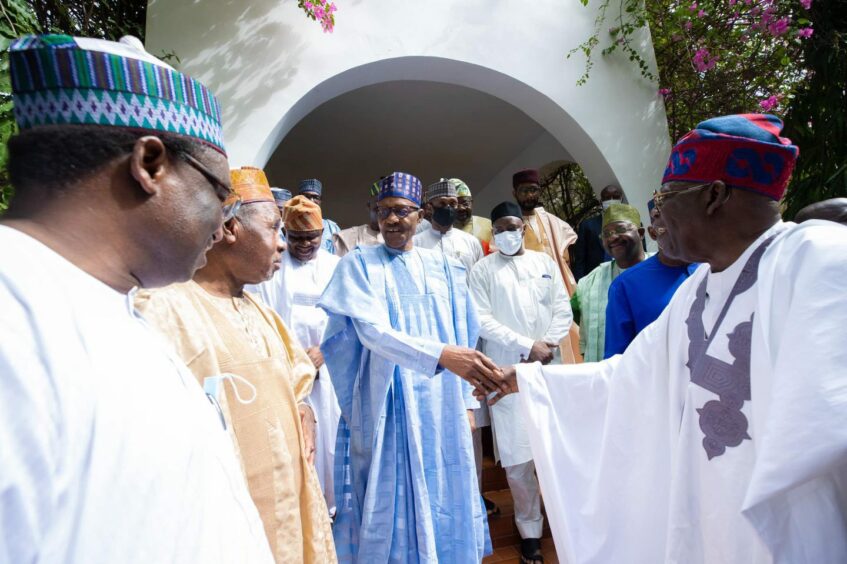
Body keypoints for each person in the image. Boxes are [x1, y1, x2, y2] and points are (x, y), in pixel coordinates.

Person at [485, 114, 847, 564]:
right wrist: (530, 380)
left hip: (791, 535)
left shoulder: (821, 261)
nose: (657, 219)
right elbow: (628, 374)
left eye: (666, 198)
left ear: (714, 195)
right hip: (705, 510)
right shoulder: (696, 291)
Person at [0, 34, 272, 562]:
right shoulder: (15, 314)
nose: (223, 222)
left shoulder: (114, 304)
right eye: (219, 194)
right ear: (150, 163)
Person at [135, 167, 336, 563]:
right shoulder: (165, 308)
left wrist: (305, 408)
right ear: (229, 230)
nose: (281, 245)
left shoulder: (259, 309)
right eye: (274, 229)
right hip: (224, 524)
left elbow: (295, 379)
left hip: (290, 508)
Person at [319, 172, 501, 562]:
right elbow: (371, 333)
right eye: (382, 211)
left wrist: (468, 401)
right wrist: (441, 356)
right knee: (392, 496)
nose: (390, 220)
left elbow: (466, 336)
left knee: (444, 489)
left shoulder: (447, 270)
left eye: (400, 211)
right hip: (387, 403)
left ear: (420, 215)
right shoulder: (359, 265)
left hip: (441, 407)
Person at [469, 201, 573, 564]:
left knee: (555, 451)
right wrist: (526, 345)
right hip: (505, 372)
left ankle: (565, 523)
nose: (507, 234)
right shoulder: (483, 270)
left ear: (522, 228)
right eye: (499, 229)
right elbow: (480, 319)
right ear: (493, 233)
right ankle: (529, 531)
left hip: (548, 369)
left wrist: (546, 345)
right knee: (517, 461)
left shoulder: (544, 263)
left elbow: (563, 308)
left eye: (512, 227)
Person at [248, 195, 342, 517]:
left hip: (329, 375)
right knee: (296, 445)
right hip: (285, 372)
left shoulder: (335, 266)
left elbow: (347, 320)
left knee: (330, 442)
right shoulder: (272, 267)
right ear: (286, 234)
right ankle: (304, 511)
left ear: (322, 235)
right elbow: (262, 314)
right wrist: (294, 356)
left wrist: (325, 351)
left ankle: (332, 510)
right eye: (296, 238)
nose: (304, 245)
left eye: (311, 238)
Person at [603, 199, 698, 358]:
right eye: (668, 225)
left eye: (683, 220)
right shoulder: (625, 286)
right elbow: (617, 359)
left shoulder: (712, 267)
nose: (679, 230)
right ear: (653, 233)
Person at [512, 168, 581, 362]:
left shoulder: (551, 221)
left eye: (533, 189)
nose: (529, 195)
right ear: (514, 193)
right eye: (524, 190)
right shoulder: (510, 223)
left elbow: (567, 253)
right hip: (527, 292)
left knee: (566, 335)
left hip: (555, 287)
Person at [571, 203, 647, 362]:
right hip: (605, 374)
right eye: (606, 233)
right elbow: (581, 325)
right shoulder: (589, 282)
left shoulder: (664, 269)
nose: (612, 237)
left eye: (620, 230)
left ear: (640, 233)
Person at [414, 178, 484, 272]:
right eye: (442, 203)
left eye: (452, 203)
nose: (448, 207)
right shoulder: (416, 243)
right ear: (430, 208)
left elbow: (479, 278)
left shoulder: (472, 243)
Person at [572, 185, 623, 280]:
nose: (611, 201)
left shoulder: (632, 224)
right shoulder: (587, 225)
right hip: (597, 280)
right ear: (601, 202)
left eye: (615, 197)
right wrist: (580, 286)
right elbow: (580, 261)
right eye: (607, 198)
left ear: (621, 199)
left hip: (625, 276)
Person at [333, 182, 384, 257]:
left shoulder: (402, 240)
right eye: (378, 209)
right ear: (368, 206)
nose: (382, 214)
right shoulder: (347, 237)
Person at [299, 178, 341, 253]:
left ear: (320, 201)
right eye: (307, 197)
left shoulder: (331, 227)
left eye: (315, 197)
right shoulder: (289, 225)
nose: (311, 201)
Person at [453, 178, 494, 254]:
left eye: (465, 203)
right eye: (455, 204)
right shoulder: (444, 230)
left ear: (471, 203)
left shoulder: (488, 225)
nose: (461, 208)